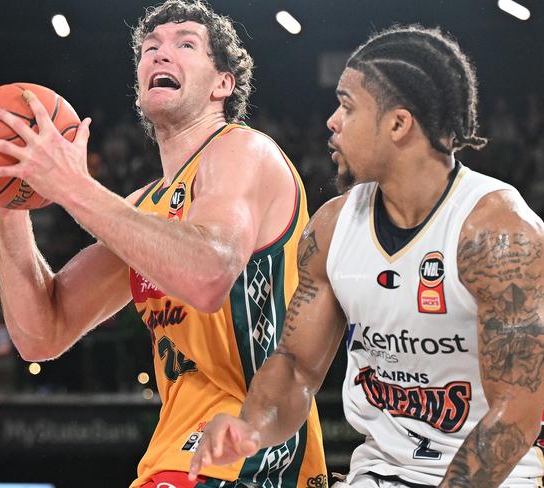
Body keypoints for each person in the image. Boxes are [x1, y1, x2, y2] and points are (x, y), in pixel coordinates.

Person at [0, 1, 327, 486]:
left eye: (185, 45)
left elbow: (208, 275)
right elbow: (41, 335)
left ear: (222, 84)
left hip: (251, 446)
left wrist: (73, 185)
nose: (160, 54)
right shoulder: (144, 206)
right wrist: (8, 199)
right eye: (150, 48)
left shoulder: (243, 149)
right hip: (177, 451)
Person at [189, 25, 544, 488]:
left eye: (347, 106)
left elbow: (516, 407)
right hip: (378, 472)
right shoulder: (332, 228)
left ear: (398, 124)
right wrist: (252, 425)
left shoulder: (497, 233)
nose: (332, 121)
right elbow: (297, 365)